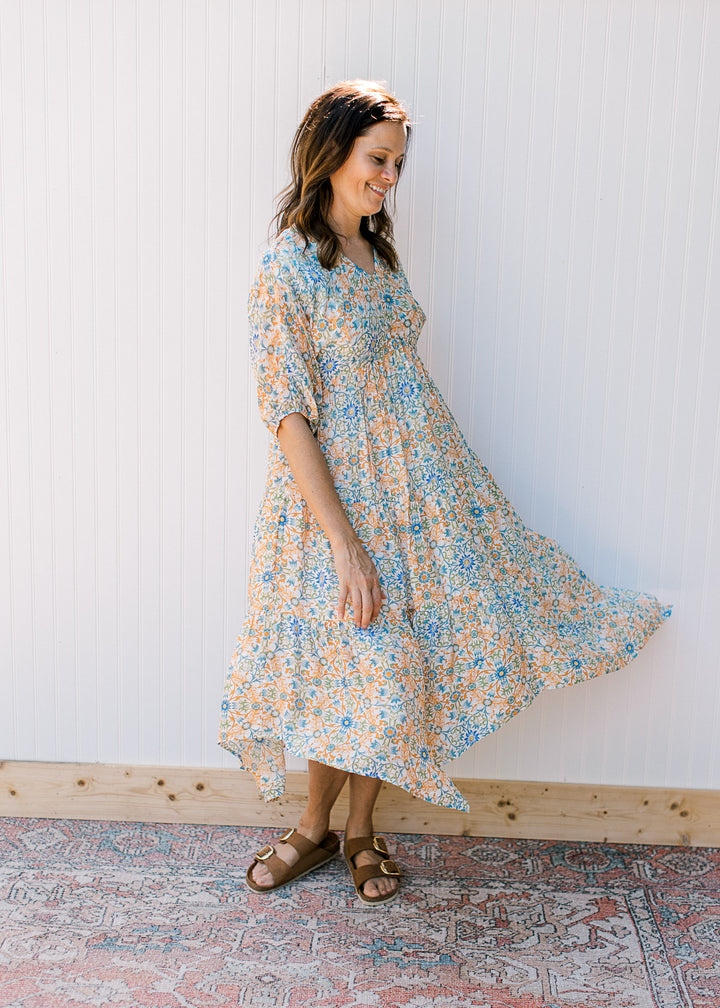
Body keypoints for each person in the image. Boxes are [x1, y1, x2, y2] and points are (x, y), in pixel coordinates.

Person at [218, 80, 670, 906]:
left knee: (396, 670)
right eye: (377, 159)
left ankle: (360, 831)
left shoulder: (379, 257)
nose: (390, 177)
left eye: (397, 162)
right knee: (348, 668)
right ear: (332, 154)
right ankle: (313, 828)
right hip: (336, 507)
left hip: (418, 498)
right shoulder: (289, 266)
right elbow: (286, 413)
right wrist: (342, 543)